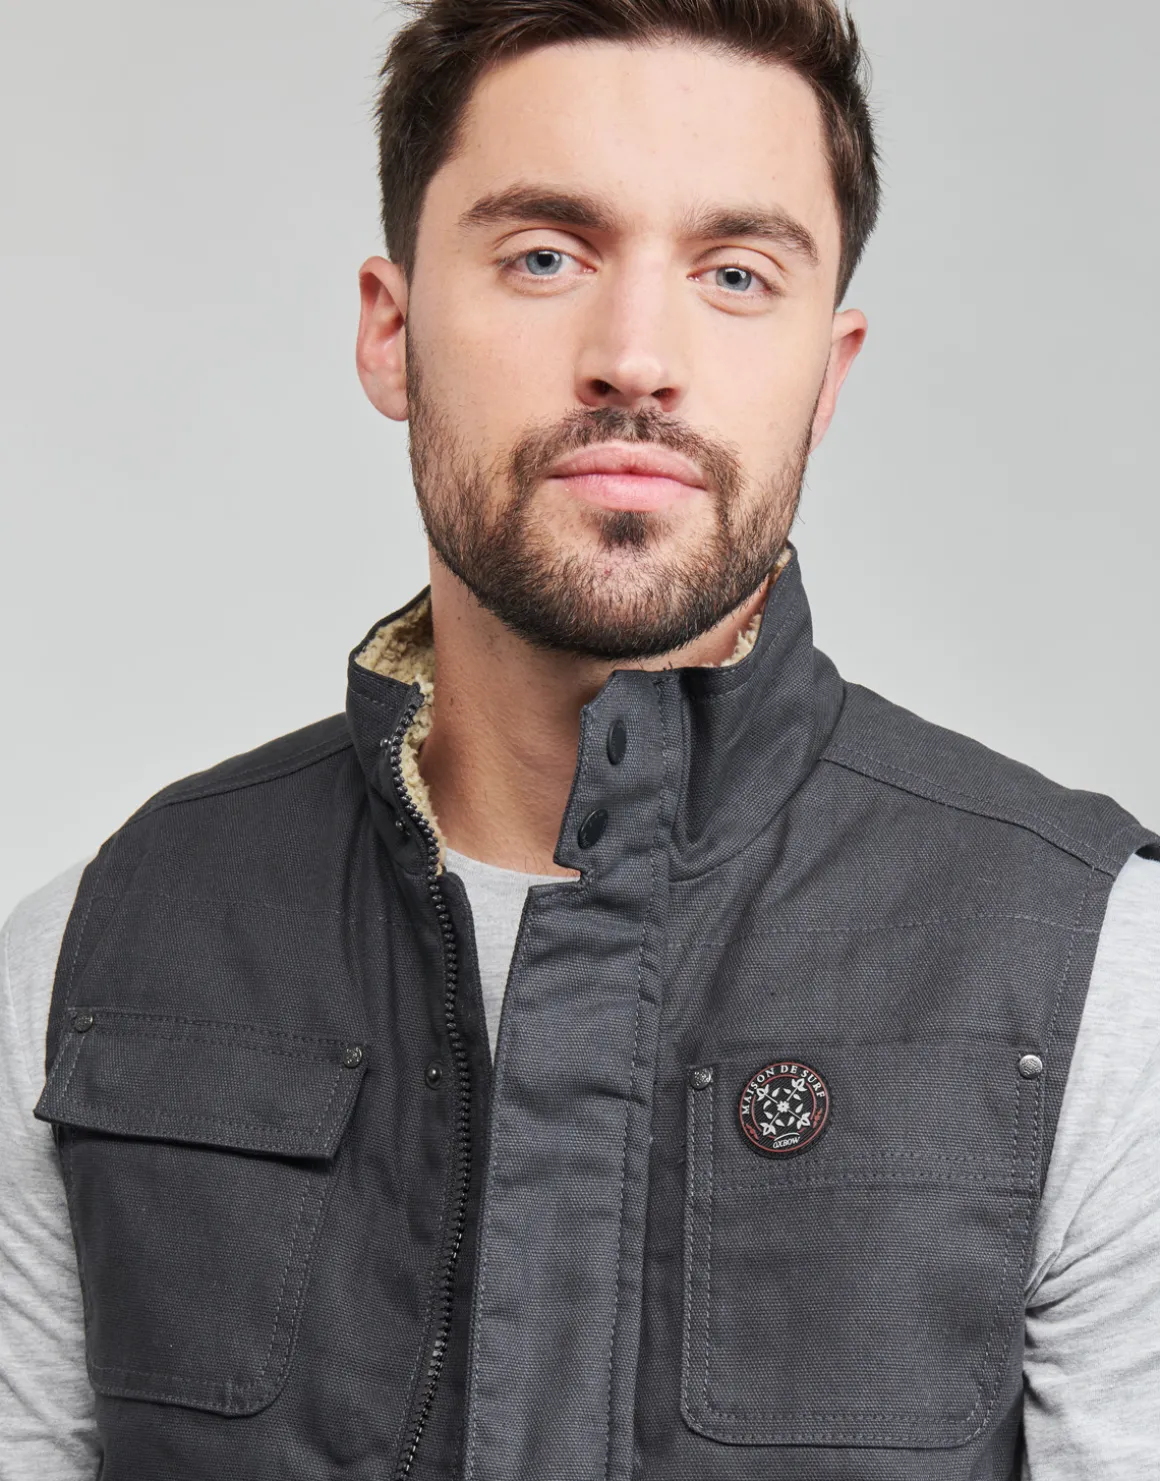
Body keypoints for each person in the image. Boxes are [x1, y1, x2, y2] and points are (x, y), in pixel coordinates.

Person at [2, 1, 1157, 1477]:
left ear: (828, 374)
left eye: (735, 274)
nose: (635, 359)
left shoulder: (1096, 983)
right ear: (392, 332)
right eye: (546, 255)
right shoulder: (96, 956)